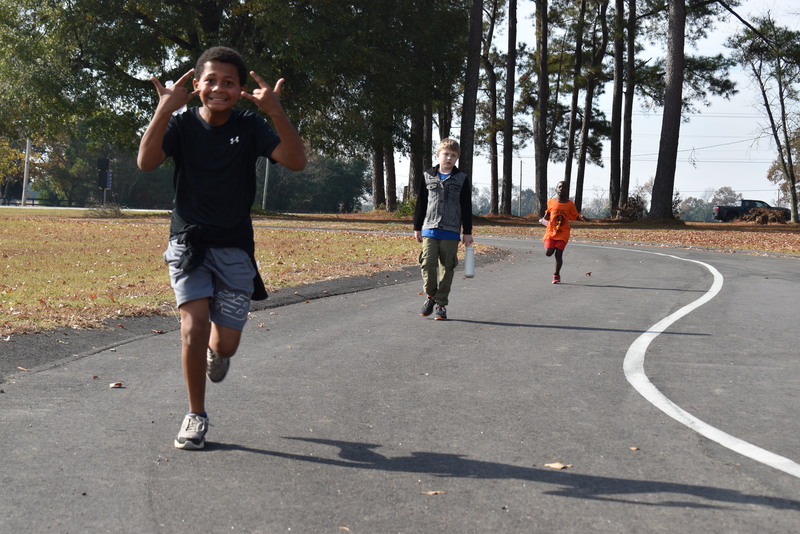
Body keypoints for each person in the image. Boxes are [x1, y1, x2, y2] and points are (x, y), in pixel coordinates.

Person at [137, 46, 306, 450]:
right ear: (196, 86)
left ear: (242, 89)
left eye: (228, 82)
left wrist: (276, 112)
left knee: (224, 343)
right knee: (192, 329)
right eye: (210, 80)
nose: (218, 88)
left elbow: (296, 161)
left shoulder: (250, 127)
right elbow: (146, 162)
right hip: (188, 243)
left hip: (233, 249)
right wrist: (164, 109)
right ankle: (196, 415)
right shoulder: (180, 124)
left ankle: (220, 351)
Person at [413, 138, 473, 321]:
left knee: (447, 269)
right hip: (429, 228)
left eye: (453, 156)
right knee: (427, 264)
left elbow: (466, 206)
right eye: (446, 154)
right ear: (438, 155)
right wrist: (417, 227)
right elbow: (421, 203)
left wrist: (467, 232)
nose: (449, 158)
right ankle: (431, 295)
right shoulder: (427, 176)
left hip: (451, 230)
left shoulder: (461, 178)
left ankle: (441, 304)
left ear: (456, 159)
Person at [541, 180, 586, 284]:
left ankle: (556, 275)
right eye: (560, 187)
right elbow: (548, 214)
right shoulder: (551, 201)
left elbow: (575, 215)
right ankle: (553, 248)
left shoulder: (570, 204)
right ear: (556, 189)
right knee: (549, 253)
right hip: (551, 232)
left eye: (564, 187)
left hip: (563, 233)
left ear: (567, 190)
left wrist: (580, 217)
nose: (562, 189)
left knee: (558, 254)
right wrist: (543, 220)